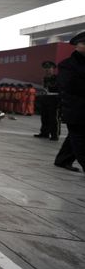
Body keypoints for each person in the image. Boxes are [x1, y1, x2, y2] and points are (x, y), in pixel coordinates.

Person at [53, 32, 85, 172]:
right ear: (76, 46)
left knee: (75, 136)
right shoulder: (67, 65)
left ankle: (63, 160)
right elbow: (68, 86)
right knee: (80, 139)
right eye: (84, 44)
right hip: (76, 108)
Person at [35, 61, 60, 140]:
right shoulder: (45, 78)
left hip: (54, 99)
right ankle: (44, 133)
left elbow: (57, 88)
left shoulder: (57, 78)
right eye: (45, 68)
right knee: (44, 117)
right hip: (45, 99)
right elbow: (45, 88)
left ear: (53, 69)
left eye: (49, 68)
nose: (47, 70)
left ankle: (54, 135)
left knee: (53, 118)